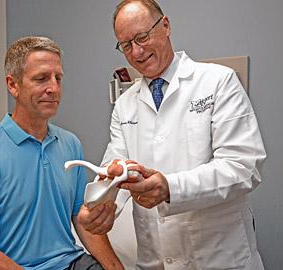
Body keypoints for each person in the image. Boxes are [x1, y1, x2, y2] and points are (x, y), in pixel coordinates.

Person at [77, 1, 267, 269]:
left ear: (165, 26)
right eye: (126, 45)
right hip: (155, 260)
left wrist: (170, 188)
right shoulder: (125, 104)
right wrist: (101, 205)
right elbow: (115, 169)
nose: (137, 51)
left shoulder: (218, 81)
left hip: (218, 258)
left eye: (142, 37)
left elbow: (243, 167)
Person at [0, 36, 123, 270]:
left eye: (58, 78)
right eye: (41, 78)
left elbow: (82, 221)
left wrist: (116, 268)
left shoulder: (70, 144)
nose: (53, 88)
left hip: (71, 261)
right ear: (13, 85)